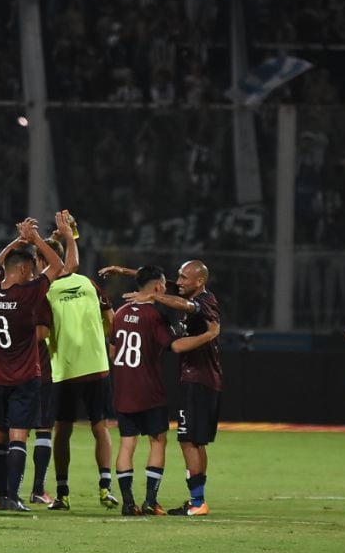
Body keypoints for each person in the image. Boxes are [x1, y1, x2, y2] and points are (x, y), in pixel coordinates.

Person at [110, 266, 220, 516]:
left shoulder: (121, 311)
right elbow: (176, 346)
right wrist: (210, 335)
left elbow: (113, 350)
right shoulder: (154, 317)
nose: (176, 282)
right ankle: (154, 500)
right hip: (149, 390)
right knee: (161, 442)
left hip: (123, 389)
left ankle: (129, 503)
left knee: (127, 445)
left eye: (182, 277)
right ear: (158, 286)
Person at [0, 218, 64, 512]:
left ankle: (0, 494)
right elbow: (57, 266)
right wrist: (35, 238)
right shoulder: (28, 295)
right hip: (24, 377)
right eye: (30, 269)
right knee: (19, 436)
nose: (34, 274)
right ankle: (13, 497)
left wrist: (18, 241)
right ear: (21, 270)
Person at [41, 213, 117, 511]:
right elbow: (110, 320)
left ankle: (62, 494)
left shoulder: (43, 290)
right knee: (101, 427)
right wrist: (97, 339)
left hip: (66, 369)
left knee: (63, 430)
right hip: (96, 364)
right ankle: (105, 487)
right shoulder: (88, 283)